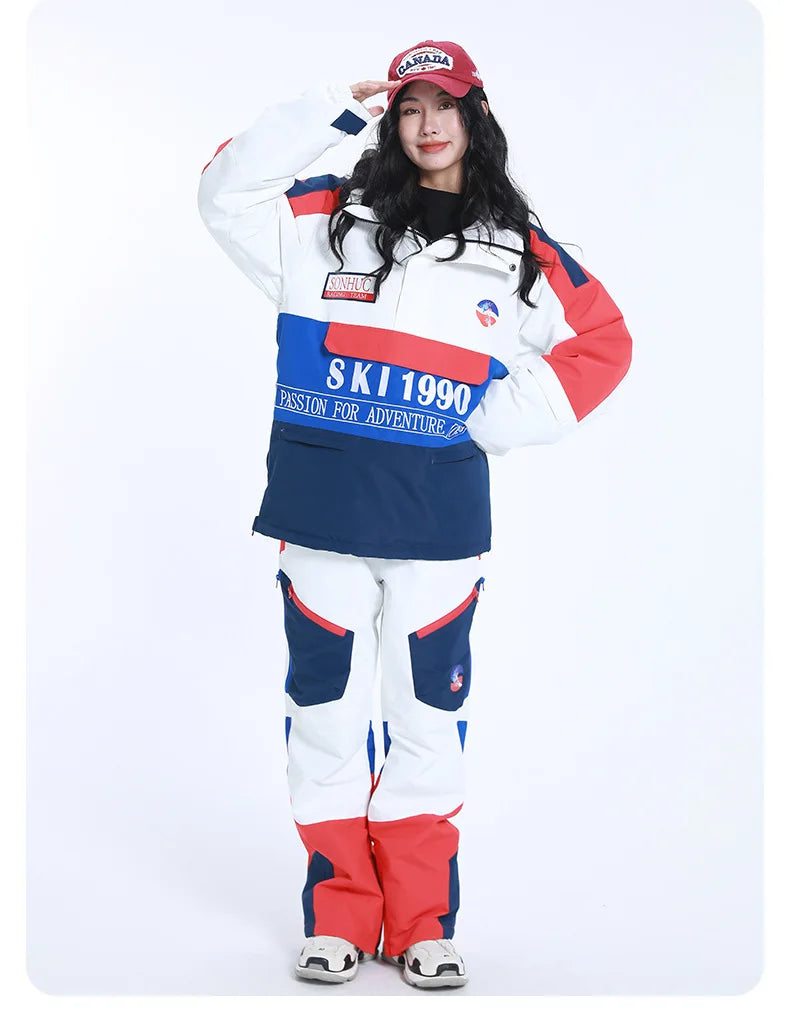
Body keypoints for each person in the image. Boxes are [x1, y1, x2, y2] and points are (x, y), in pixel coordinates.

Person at [197, 38, 632, 989]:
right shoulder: (324, 218)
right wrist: (330, 107)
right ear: (390, 121)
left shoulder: (522, 251)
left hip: (438, 527)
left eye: (446, 105)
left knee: (428, 717)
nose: (428, 124)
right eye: (409, 107)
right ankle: (339, 916)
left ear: (477, 116)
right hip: (320, 514)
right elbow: (222, 193)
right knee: (324, 714)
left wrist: (487, 421)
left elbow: (602, 339)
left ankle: (425, 923)